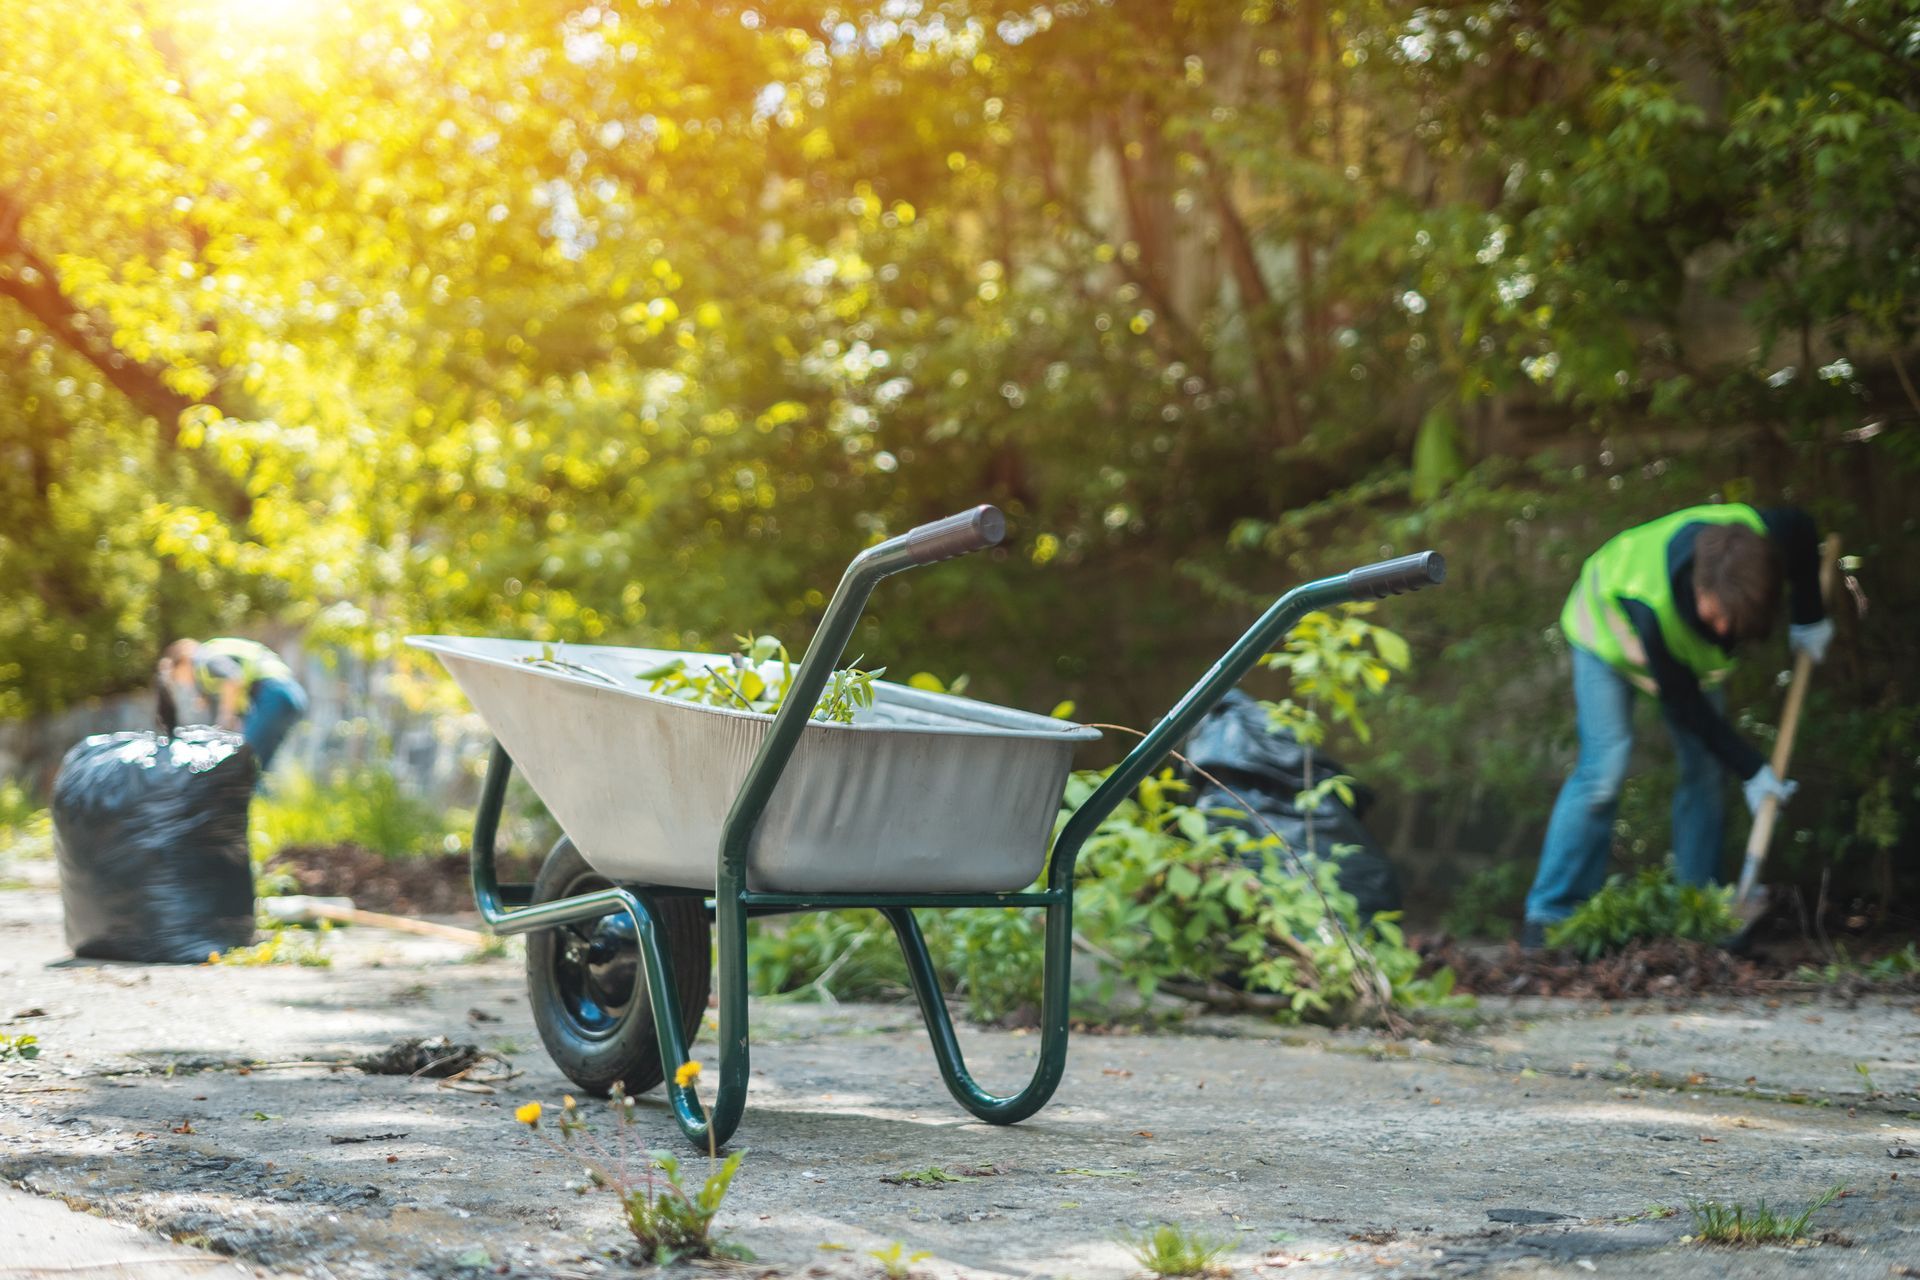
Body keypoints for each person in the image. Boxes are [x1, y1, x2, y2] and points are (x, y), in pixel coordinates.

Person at [1520, 504, 1831, 948]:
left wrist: (1809, 616)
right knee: (1603, 772)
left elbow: (1803, 529)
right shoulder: (1651, 602)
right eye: (1715, 617)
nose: (1724, 628)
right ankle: (1549, 917)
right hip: (1604, 631)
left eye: (1734, 621)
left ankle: (1698, 914)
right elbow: (1685, 705)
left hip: (1683, 662)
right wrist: (1753, 769)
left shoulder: (1764, 541)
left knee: (1704, 771)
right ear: (1697, 585)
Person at [157, 637, 309, 776]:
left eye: (178, 677)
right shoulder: (208, 660)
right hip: (290, 693)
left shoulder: (204, 657)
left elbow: (233, 677)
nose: (183, 683)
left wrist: (225, 718)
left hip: (275, 693)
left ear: (183, 661)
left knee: (246, 758)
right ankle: (260, 801)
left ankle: (246, 802)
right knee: (259, 761)